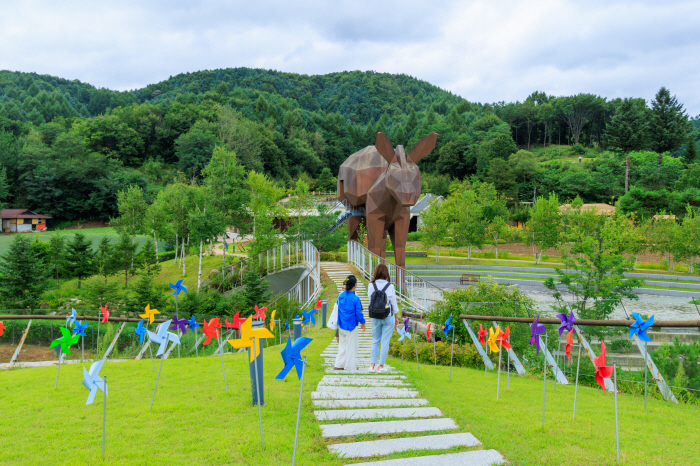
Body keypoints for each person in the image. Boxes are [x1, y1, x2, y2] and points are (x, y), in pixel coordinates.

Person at [368, 264, 399, 373]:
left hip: (375, 316)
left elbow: (370, 300)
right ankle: (381, 367)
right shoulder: (390, 286)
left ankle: (372, 365)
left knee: (375, 340)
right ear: (386, 273)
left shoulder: (371, 285)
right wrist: (396, 316)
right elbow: (393, 303)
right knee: (385, 341)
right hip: (388, 315)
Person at [334, 275, 366, 370]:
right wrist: (363, 322)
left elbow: (336, 309)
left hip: (341, 325)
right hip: (351, 326)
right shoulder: (355, 298)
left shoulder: (340, 296)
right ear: (355, 285)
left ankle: (339, 364)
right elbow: (359, 314)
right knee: (352, 346)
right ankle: (350, 366)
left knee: (342, 346)